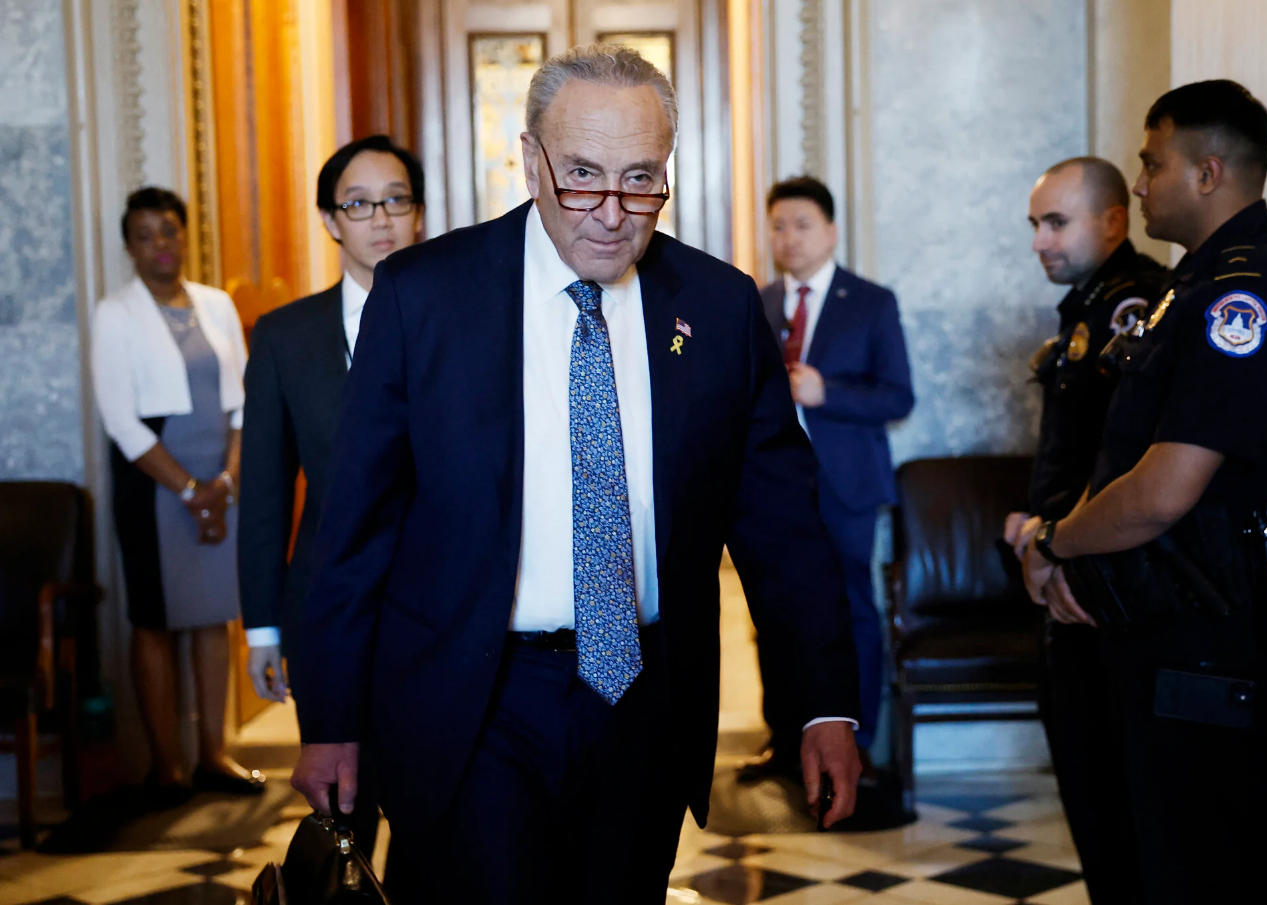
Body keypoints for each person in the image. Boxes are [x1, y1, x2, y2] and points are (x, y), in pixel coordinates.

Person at [287, 45, 861, 903]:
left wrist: (823, 702)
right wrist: (330, 717)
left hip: (647, 699)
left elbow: (783, 527)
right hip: (474, 699)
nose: (612, 214)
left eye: (641, 180)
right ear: (532, 161)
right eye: (583, 177)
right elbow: (355, 525)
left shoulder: (718, 306)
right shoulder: (423, 296)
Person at [1020, 80, 1267, 903]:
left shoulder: (1249, 292)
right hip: (1165, 625)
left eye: (1153, 164)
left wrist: (1053, 543)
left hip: (1211, 633)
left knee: (1205, 869)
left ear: (1208, 172)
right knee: (1154, 857)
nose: (1140, 182)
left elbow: (1163, 491)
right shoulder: (1191, 285)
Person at [237, 135, 425, 853]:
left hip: (438, 608)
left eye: (396, 200)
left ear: (418, 213)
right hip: (325, 611)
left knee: (438, 821)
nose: (381, 218)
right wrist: (262, 627)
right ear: (329, 220)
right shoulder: (286, 337)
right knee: (345, 815)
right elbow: (264, 490)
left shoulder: (461, 324)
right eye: (359, 203)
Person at [1003, 156, 1166, 904]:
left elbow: (1126, 459)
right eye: (1035, 224)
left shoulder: (1133, 304)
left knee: (1117, 808)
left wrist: (1059, 546)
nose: (1039, 240)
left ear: (1113, 221)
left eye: (1056, 222)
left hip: (1099, 588)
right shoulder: (1090, 304)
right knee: (1093, 801)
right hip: (1069, 570)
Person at [91, 187, 263, 805]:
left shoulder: (216, 304)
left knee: (214, 614)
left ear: (186, 235)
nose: (160, 244)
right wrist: (190, 489)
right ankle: (166, 766)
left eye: (169, 230)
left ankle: (213, 755)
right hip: (154, 484)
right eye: (144, 235)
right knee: (156, 619)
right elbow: (121, 420)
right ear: (129, 247)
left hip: (220, 478)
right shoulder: (115, 313)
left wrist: (226, 481)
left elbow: (242, 402)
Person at [742, 176, 913, 782]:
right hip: (774, 490)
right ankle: (785, 736)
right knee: (773, 612)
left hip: (846, 487)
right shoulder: (755, 303)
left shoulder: (871, 302)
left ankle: (855, 742)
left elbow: (898, 397)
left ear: (832, 231)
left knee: (851, 611)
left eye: (802, 225)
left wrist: (826, 392)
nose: (788, 237)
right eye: (778, 226)